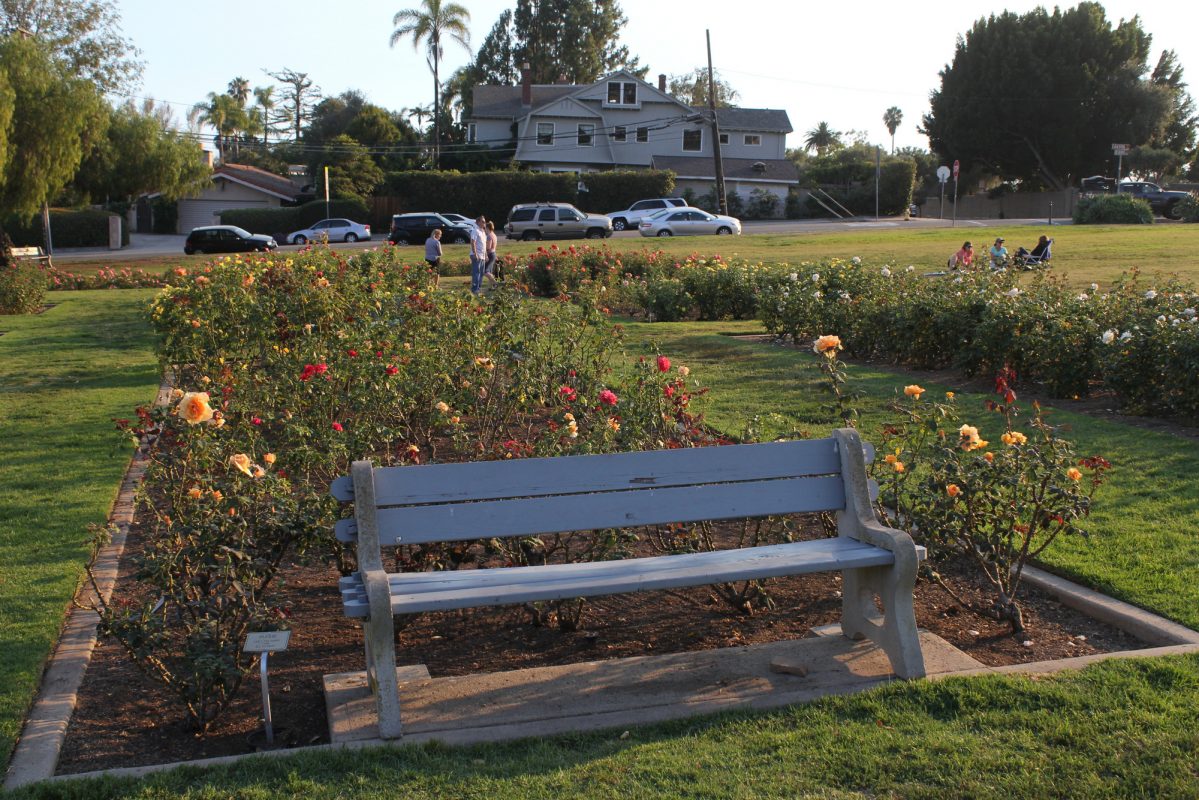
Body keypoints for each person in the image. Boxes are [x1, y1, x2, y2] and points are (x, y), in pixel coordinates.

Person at [469, 216, 488, 294]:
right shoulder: (475, 230)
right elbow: (473, 242)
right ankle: (474, 289)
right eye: (483, 221)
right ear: (478, 222)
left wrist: (486, 255)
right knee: (476, 272)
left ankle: (478, 288)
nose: (484, 223)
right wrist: (475, 253)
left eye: (484, 221)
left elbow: (484, 245)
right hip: (476, 255)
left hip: (482, 255)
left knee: (481, 272)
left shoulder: (483, 232)